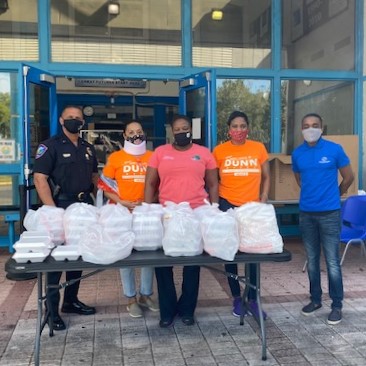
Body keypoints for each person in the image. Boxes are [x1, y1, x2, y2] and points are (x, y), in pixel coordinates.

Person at [144, 114, 219, 327]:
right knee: (163, 262)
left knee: (192, 263)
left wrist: (213, 209)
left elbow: (213, 184)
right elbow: (150, 183)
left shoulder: (204, 153)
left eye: (184, 128)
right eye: (176, 129)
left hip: (196, 213)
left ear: (191, 130)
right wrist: (148, 210)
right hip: (167, 214)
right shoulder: (160, 153)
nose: (180, 132)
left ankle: (187, 309)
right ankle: (167, 311)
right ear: (171, 132)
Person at [33, 105, 99, 331]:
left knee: (77, 256)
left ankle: (70, 301)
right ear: (61, 121)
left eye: (78, 118)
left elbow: (94, 176)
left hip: (83, 207)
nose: (74, 121)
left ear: (83, 122)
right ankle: (52, 311)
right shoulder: (49, 146)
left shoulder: (87, 147)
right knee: (56, 261)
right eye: (70, 117)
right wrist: (53, 212)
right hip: (59, 206)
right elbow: (40, 179)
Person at [292, 113, 354, 325]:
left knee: (333, 262)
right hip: (307, 213)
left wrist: (337, 193)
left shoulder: (334, 149)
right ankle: (315, 299)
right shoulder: (298, 153)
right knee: (312, 261)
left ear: (322, 128)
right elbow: (300, 179)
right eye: (306, 126)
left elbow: (349, 176)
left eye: (315, 125)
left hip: (329, 213)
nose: (311, 129)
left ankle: (337, 305)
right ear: (301, 129)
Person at [212, 110, 270, 319]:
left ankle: (253, 299)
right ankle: (237, 298)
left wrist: (263, 198)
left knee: (253, 253)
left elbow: (266, 175)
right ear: (229, 130)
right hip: (227, 204)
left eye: (242, 126)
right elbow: (212, 180)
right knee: (231, 253)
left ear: (248, 128)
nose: (239, 130)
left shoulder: (258, 148)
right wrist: (215, 205)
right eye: (235, 126)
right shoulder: (219, 151)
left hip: (252, 207)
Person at [101, 120, 159, 318]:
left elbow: (160, 184)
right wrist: (122, 202)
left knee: (149, 255)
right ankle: (130, 298)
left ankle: (145, 294)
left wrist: (149, 202)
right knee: (124, 255)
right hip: (121, 213)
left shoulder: (153, 157)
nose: (136, 135)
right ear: (125, 136)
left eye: (140, 131)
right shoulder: (116, 158)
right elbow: (105, 187)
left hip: (146, 213)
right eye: (131, 132)